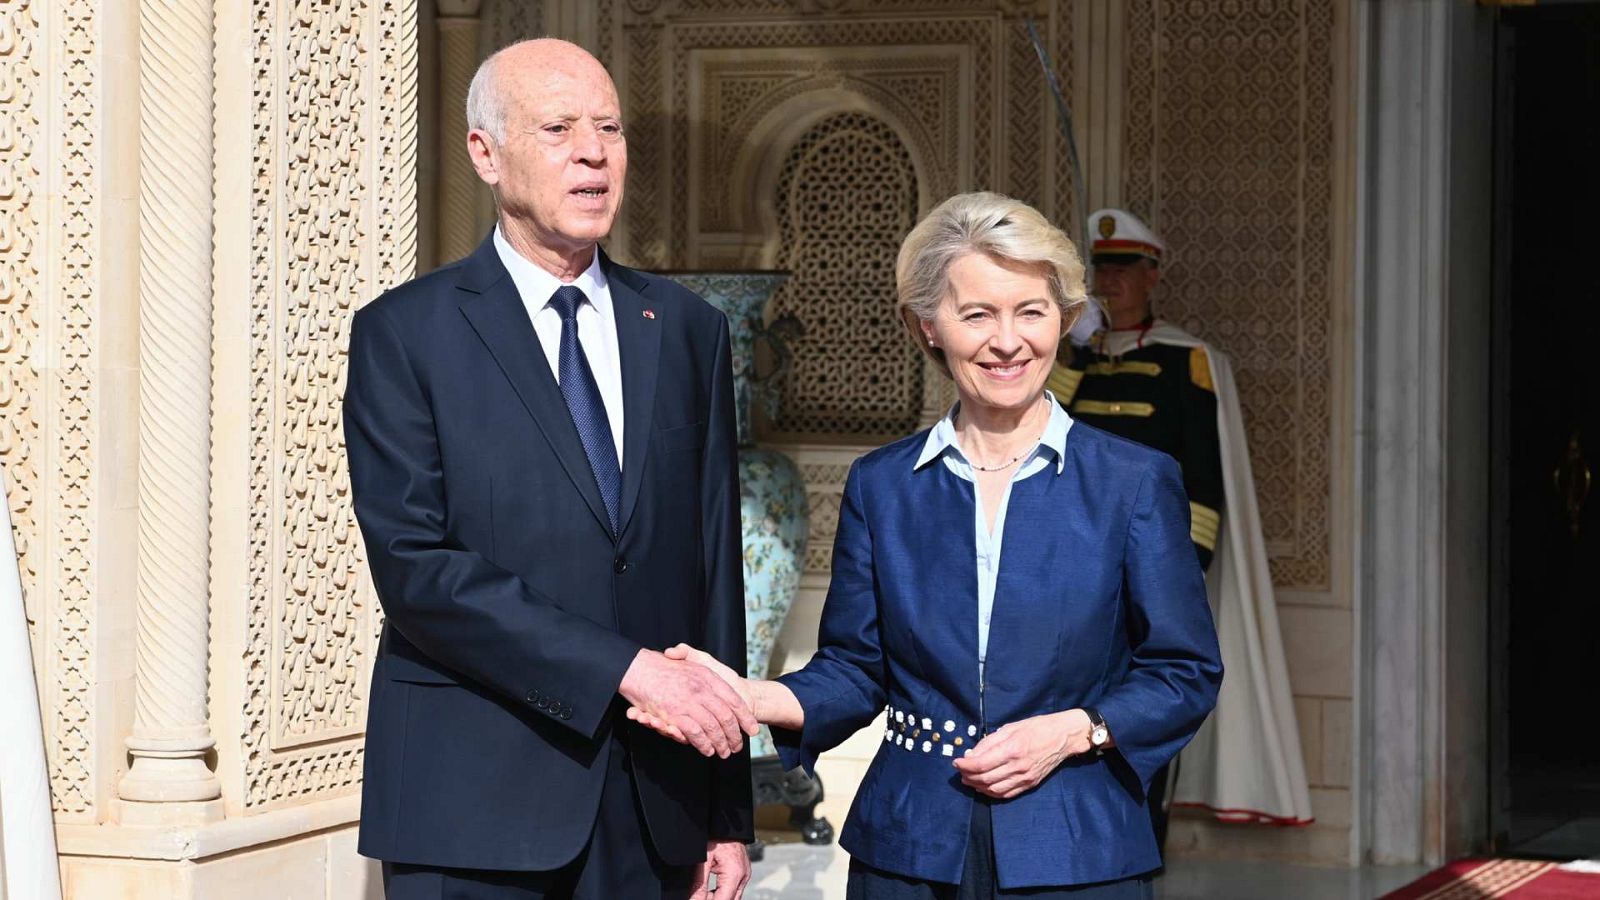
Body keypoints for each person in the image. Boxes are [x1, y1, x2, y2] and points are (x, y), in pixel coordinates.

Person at [633, 192, 1223, 898]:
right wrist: (752, 696)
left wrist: (1076, 731)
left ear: (1064, 319)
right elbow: (856, 671)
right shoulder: (882, 485)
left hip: (1078, 852)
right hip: (908, 851)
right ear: (928, 326)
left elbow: (1184, 671)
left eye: (1031, 312)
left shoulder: (1134, 481)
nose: (1008, 341)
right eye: (977, 314)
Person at [344, 38, 757, 900]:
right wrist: (624, 670)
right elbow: (418, 570)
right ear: (485, 154)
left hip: (656, 802)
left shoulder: (687, 330)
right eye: (559, 128)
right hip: (473, 805)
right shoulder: (406, 333)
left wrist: (724, 807)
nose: (594, 153)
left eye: (609, 127)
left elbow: (714, 568)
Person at [1050, 208, 1313, 835]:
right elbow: (1035, 424)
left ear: (1151, 276)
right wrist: (1074, 349)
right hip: (1068, 559)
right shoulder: (1073, 357)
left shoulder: (1186, 359)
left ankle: (1144, 832)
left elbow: (1201, 471)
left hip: (1147, 560)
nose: (1110, 281)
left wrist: (1184, 567)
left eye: (1123, 269)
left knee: (1142, 701)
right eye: (1102, 270)